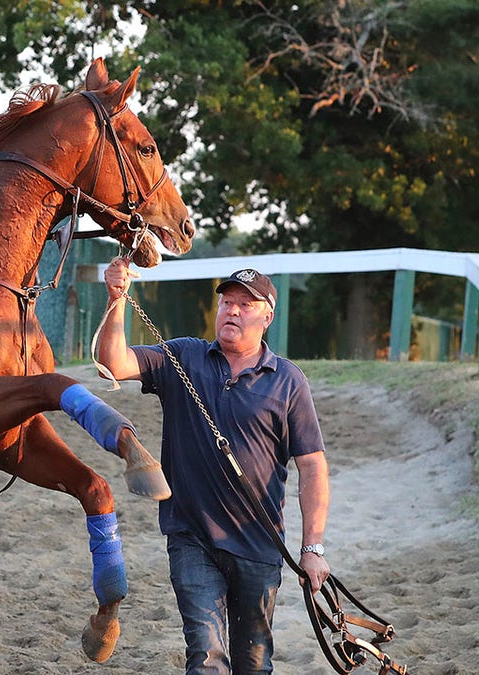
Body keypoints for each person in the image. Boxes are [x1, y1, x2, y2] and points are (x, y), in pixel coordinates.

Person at [95, 259, 331, 674]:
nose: (233, 311)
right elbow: (114, 362)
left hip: (259, 547)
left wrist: (312, 549)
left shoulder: (289, 382)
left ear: (267, 317)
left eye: (245, 304)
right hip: (192, 538)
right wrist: (117, 300)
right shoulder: (184, 355)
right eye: (227, 302)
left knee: (254, 665)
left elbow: (312, 468)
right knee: (205, 658)